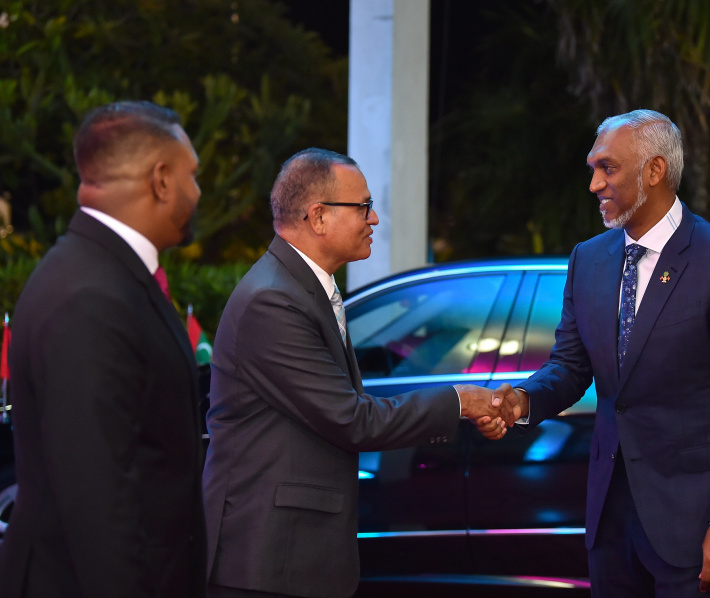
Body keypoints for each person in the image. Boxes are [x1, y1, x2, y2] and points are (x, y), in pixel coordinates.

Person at [202, 148, 516, 598]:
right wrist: (460, 401)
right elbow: (351, 419)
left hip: (289, 557)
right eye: (363, 207)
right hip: (267, 561)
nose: (374, 220)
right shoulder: (271, 301)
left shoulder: (300, 289)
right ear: (318, 217)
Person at [491, 109, 710, 597]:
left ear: (654, 171)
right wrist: (522, 400)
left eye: (608, 168)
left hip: (695, 527)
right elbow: (569, 365)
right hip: (610, 519)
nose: (594, 184)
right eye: (593, 169)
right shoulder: (589, 258)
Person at [0, 101, 206, 596]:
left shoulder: (101, 272)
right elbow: (98, 500)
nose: (198, 192)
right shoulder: (90, 296)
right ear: (160, 180)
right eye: (192, 175)